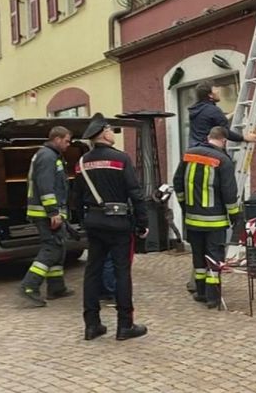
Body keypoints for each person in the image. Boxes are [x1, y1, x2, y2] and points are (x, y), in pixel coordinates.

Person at [73, 113, 149, 341]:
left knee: (92, 272)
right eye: (110, 130)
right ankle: (125, 325)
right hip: (119, 224)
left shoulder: (82, 163)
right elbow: (135, 193)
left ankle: (91, 325)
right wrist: (142, 223)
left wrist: (83, 221)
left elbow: (75, 197)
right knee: (122, 272)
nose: (112, 133)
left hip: (94, 223)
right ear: (104, 133)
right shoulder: (121, 159)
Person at [174, 126, 243, 309]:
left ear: (208, 137)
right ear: (224, 141)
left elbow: (177, 183)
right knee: (213, 258)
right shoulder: (223, 160)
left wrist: (184, 206)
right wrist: (235, 216)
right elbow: (229, 193)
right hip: (215, 222)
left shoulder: (189, 155)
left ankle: (201, 292)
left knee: (198, 259)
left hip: (192, 220)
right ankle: (213, 298)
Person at [19, 126, 76, 307]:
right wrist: (53, 212)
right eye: (66, 141)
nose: (68, 144)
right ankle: (29, 286)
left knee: (58, 248)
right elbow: (46, 186)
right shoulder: (47, 156)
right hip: (45, 213)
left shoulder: (49, 155)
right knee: (51, 248)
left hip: (47, 212)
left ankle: (56, 287)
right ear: (57, 139)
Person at [187, 81, 256, 148]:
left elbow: (209, 121)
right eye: (215, 89)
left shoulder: (197, 110)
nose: (218, 91)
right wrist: (244, 138)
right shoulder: (213, 110)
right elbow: (225, 132)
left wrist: (232, 114)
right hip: (207, 149)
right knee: (225, 158)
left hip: (193, 149)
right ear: (210, 95)